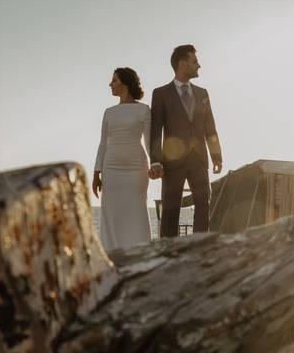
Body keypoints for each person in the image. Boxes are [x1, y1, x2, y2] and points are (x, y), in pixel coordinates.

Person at [149, 45, 222, 238]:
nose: (199, 66)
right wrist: (155, 161)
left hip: (199, 158)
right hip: (172, 160)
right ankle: (168, 249)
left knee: (203, 203)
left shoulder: (203, 93)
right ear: (182, 64)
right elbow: (155, 130)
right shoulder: (160, 93)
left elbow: (210, 127)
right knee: (170, 206)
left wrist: (216, 156)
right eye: (195, 61)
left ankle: (199, 247)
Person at [92, 67, 153, 250]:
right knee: (111, 215)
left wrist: (156, 163)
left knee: (137, 212)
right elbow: (103, 143)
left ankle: (141, 254)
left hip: (136, 169)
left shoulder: (144, 110)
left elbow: (150, 143)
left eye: (114, 80)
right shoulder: (109, 112)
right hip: (111, 169)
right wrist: (96, 173)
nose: (110, 84)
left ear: (125, 84)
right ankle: (112, 257)